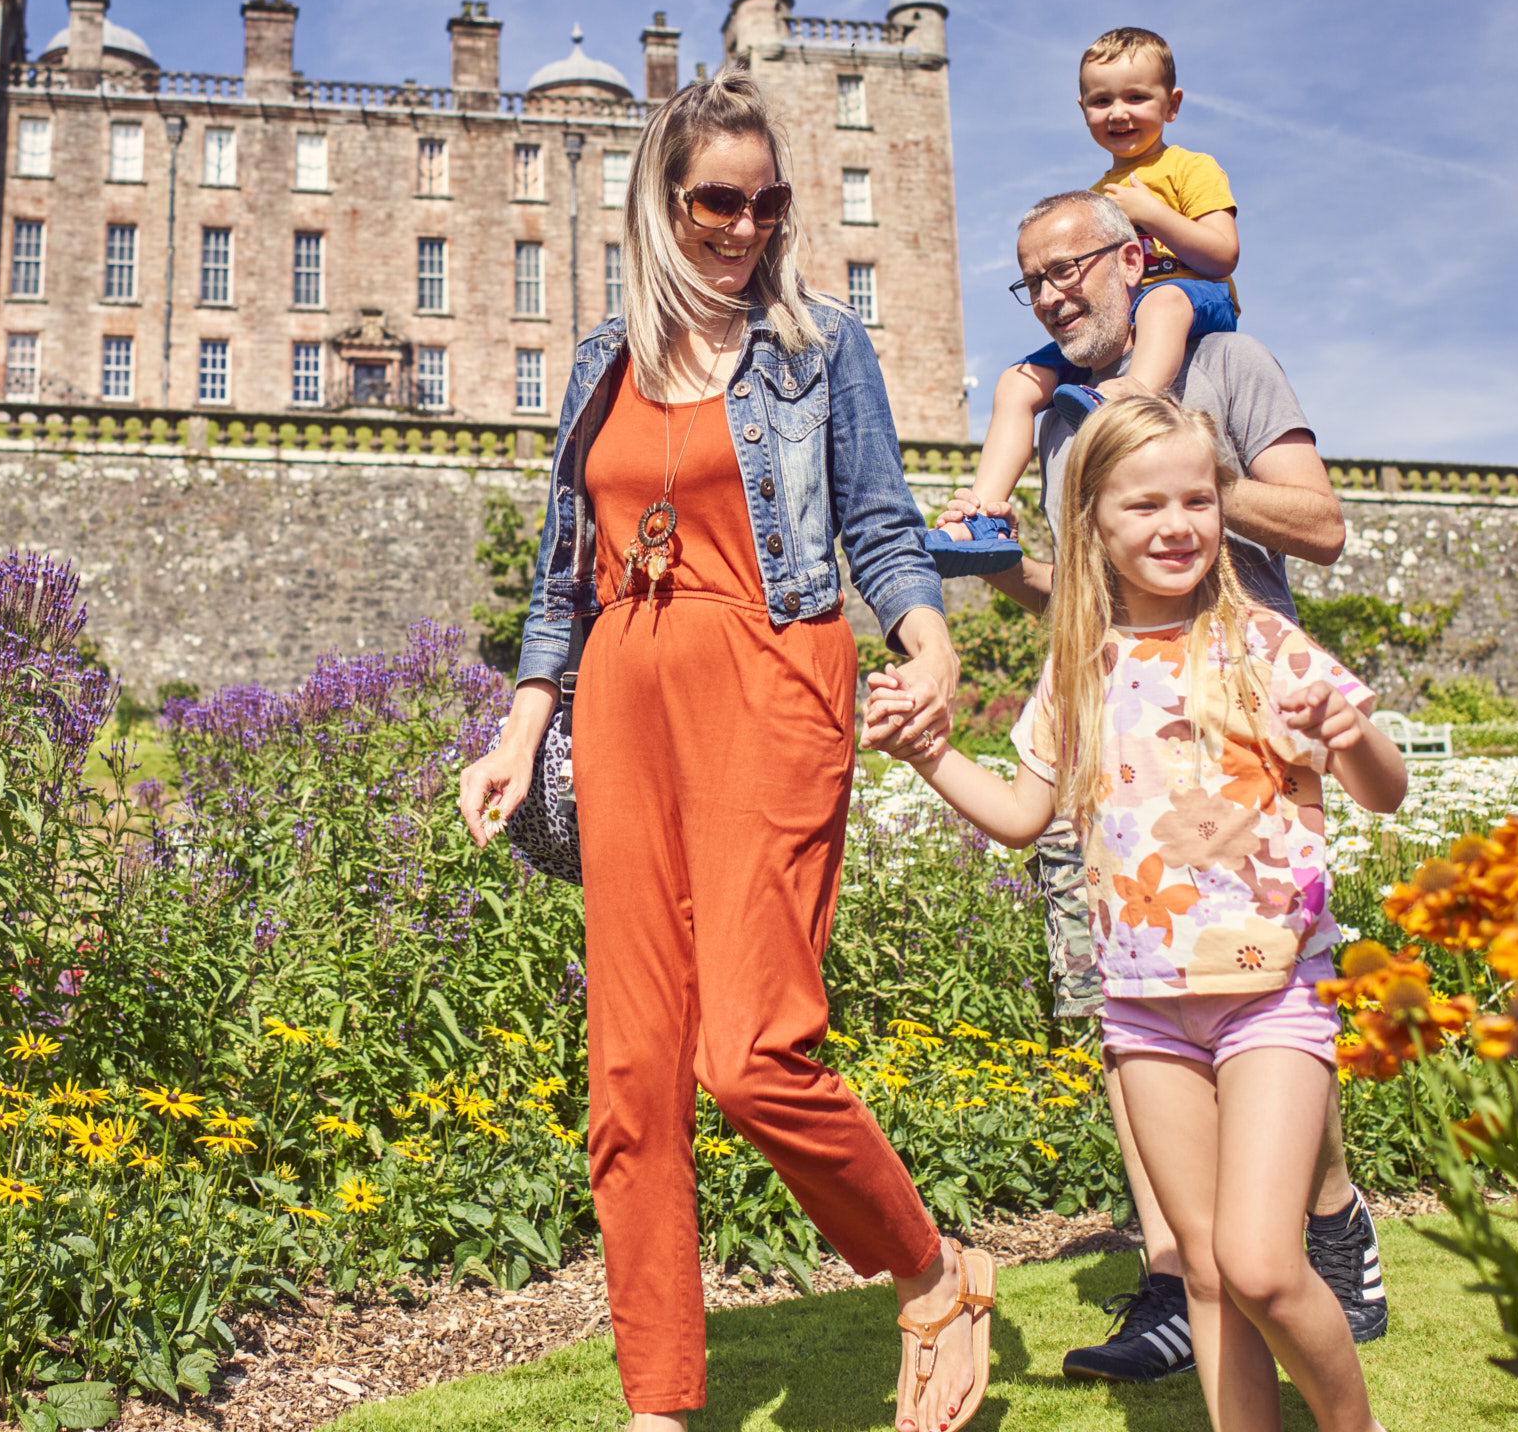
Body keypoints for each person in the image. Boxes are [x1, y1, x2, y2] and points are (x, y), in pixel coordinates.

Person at [455, 73, 993, 1432]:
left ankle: (931, 1272)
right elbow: (561, 567)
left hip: (771, 674)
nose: (744, 227)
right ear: (663, 198)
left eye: (768, 202)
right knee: (631, 1068)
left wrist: (930, 643)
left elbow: (880, 525)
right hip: (622, 698)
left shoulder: (819, 349)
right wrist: (523, 727)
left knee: (753, 1053)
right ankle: (660, 1404)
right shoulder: (602, 359)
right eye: (717, 201)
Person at [865, 391, 1408, 1432]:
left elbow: (1386, 791)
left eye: (1198, 499)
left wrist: (1349, 733)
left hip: (1271, 997)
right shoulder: (1079, 664)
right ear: (1093, 527)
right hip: (1146, 1009)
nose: (1178, 523)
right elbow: (1024, 813)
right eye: (1146, 502)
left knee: (1260, 1256)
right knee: (1205, 1271)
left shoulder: (1263, 642)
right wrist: (930, 752)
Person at [941, 187, 1388, 1385]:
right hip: (1108, 739)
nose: (1048, 296)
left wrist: (1178, 479)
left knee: (1259, 1001)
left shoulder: (1231, 360)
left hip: (1245, 736)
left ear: (1133, 257)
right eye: (1027, 281)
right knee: (1124, 1000)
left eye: (1067, 269)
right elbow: (1087, 588)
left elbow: (1326, 525)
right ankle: (1176, 1282)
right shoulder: (1047, 416)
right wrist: (1009, 566)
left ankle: (1330, 1215)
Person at [932, 26, 1239, 578]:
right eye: (1102, 101)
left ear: (1172, 105)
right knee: (1016, 382)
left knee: (1162, 300)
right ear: (1083, 109)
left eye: (1136, 97)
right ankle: (984, 514)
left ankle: (1130, 397)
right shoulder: (1098, 195)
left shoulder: (1191, 168)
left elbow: (1223, 254)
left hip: (1195, 298)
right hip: (1128, 317)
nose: (1118, 112)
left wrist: (1153, 215)